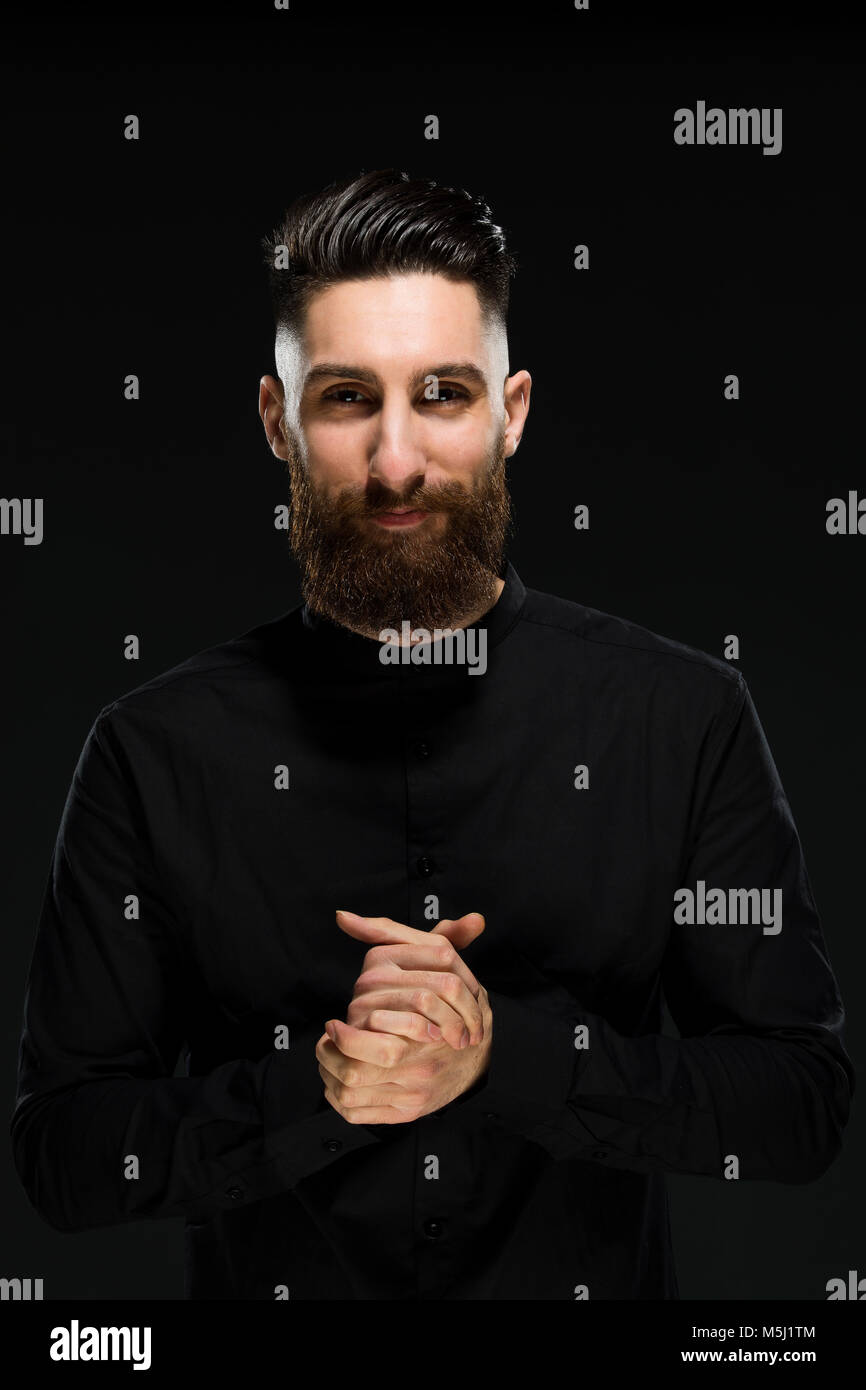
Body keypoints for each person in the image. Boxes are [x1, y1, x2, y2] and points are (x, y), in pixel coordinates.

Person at [11, 168, 854, 1300]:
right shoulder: (150, 749)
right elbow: (62, 1157)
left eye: (442, 394)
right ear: (278, 422)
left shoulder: (680, 715)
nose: (395, 461)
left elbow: (798, 1107)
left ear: (509, 412)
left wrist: (504, 1055)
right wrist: (313, 1092)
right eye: (348, 397)